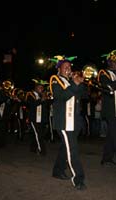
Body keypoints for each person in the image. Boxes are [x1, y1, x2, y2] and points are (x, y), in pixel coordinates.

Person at [50, 55, 86, 190]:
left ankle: (57, 171)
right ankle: (78, 179)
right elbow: (61, 96)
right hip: (63, 121)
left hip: (74, 121)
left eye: (69, 67)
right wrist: (74, 84)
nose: (68, 69)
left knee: (66, 148)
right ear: (59, 69)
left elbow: (84, 95)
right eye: (65, 67)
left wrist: (80, 82)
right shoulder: (55, 79)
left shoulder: (72, 81)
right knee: (73, 149)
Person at [26, 79, 49, 155]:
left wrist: (46, 99)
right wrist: (41, 100)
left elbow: (46, 107)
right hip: (33, 118)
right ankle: (42, 151)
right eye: (40, 87)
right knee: (38, 134)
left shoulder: (43, 95)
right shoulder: (30, 94)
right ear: (36, 87)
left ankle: (33, 148)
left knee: (39, 134)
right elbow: (31, 105)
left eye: (42, 88)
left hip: (42, 118)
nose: (42, 89)